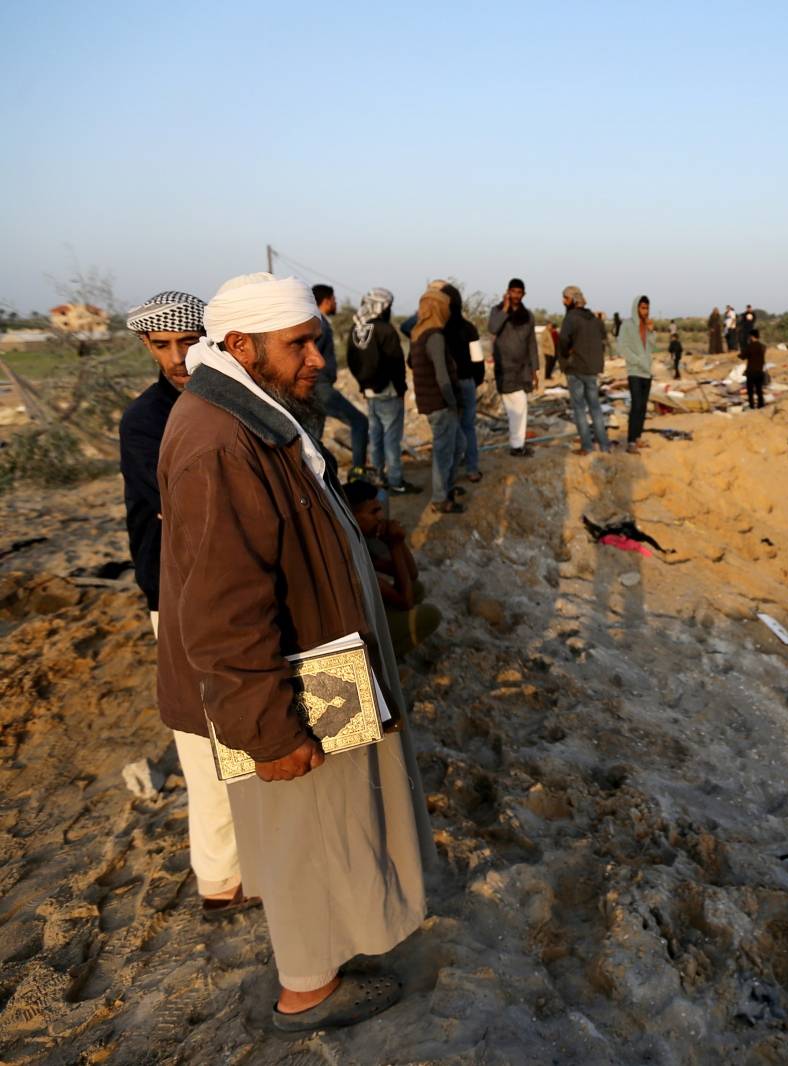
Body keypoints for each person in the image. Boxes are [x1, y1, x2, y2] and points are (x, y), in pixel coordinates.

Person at [157, 272, 428, 1030]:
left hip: (319, 666)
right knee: (302, 834)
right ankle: (306, 993)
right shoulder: (215, 440)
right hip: (285, 687)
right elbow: (219, 610)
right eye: (300, 345)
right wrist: (269, 730)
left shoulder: (250, 410)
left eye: (316, 341)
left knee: (332, 823)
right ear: (240, 345)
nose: (317, 359)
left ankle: (329, 958)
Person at [120, 289, 258, 922]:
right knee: (202, 749)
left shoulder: (235, 398)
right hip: (177, 595)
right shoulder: (148, 420)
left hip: (235, 589)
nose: (178, 358)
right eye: (162, 346)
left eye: (186, 341)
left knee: (250, 732)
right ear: (147, 347)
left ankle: (254, 868)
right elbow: (189, 510)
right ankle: (220, 881)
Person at [344, 480, 441, 656]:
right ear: (353, 515)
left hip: (364, 616)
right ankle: (382, 661)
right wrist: (395, 545)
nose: (380, 517)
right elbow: (406, 602)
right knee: (430, 616)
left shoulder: (358, 539)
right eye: (373, 512)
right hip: (353, 634)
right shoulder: (347, 548)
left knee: (416, 588)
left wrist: (397, 541)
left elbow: (411, 574)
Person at [347, 288, 418, 494]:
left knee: (376, 436)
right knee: (391, 439)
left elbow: (353, 361)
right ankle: (396, 481)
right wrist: (400, 388)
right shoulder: (385, 330)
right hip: (389, 392)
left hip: (369, 392)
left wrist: (364, 384)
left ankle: (378, 476)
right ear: (383, 307)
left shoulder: (356, 328)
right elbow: (396, 363)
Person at [408, 289, 465, 513]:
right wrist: (453, 403)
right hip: (441, 405)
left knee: (458, 446)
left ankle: (447, 488)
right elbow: (443, 376)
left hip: (432, 403)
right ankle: (441, 499)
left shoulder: (418, 333)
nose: (448, 311)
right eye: (445, 306)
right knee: (444, 453)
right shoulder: (434, 336)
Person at [306, 284, 369, 477]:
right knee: (359, 422)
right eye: (334, 299)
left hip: (318, 386)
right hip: (320, 387)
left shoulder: (319, 322)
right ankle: (358, 472)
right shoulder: (319, 325)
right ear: (326, 301)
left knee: (313, 436)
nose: (336, 303)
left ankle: (312, 477)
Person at [437, 283, 483, 483]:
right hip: (467, 383)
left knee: (451, 430)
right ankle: (472, 469)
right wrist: (475, 381)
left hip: (447, 386)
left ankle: (450, 476)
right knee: (468, 428)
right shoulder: (469, 328)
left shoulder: (438, 331)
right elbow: (478, 360)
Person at [557, 285, 609, 455]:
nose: (563, 301)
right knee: (595, 408)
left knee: (579, 408)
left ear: (572, 300)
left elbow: (563, 341)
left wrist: (567, 353)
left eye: (565, 298)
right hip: (592, 369)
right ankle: (605, 447)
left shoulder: (571, 318)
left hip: (576, 368)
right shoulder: (594, 319)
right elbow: (603, 337)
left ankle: (587, 446)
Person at [488, 277, 537, 457]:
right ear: (507, 292)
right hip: (505, 367)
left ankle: (517, 443)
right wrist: (505, 309)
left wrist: (535, 368)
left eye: (519, 292)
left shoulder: (528, 315)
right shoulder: (497, 311)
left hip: (523, 369)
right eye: (513, 292)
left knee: (517, 407)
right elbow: (492, 328)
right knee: (518, 405)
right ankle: (517, 445)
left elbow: (532, 343)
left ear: (523, 294)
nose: (516, 295)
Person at [618, 295, 655, 454]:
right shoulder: (627, 324)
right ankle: (631, 441)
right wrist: (637, 360)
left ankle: (638, 437)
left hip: (647, 372)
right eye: (642, 308)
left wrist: (651, 332)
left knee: (643, 407)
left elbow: (652, 347)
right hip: (634, 371)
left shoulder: (647, 325)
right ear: (636, 308)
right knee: (636, 406)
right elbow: (622, 347)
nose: (645, 311)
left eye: (647, 308)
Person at [742, 327, 767, 409]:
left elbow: (742, 356)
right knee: (759, 390)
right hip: (760, 371)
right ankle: (761, 405)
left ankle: (752, 406)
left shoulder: (750, 346)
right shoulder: (762, 346)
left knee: (750, 391)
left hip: (751, 372)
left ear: (752, 336)